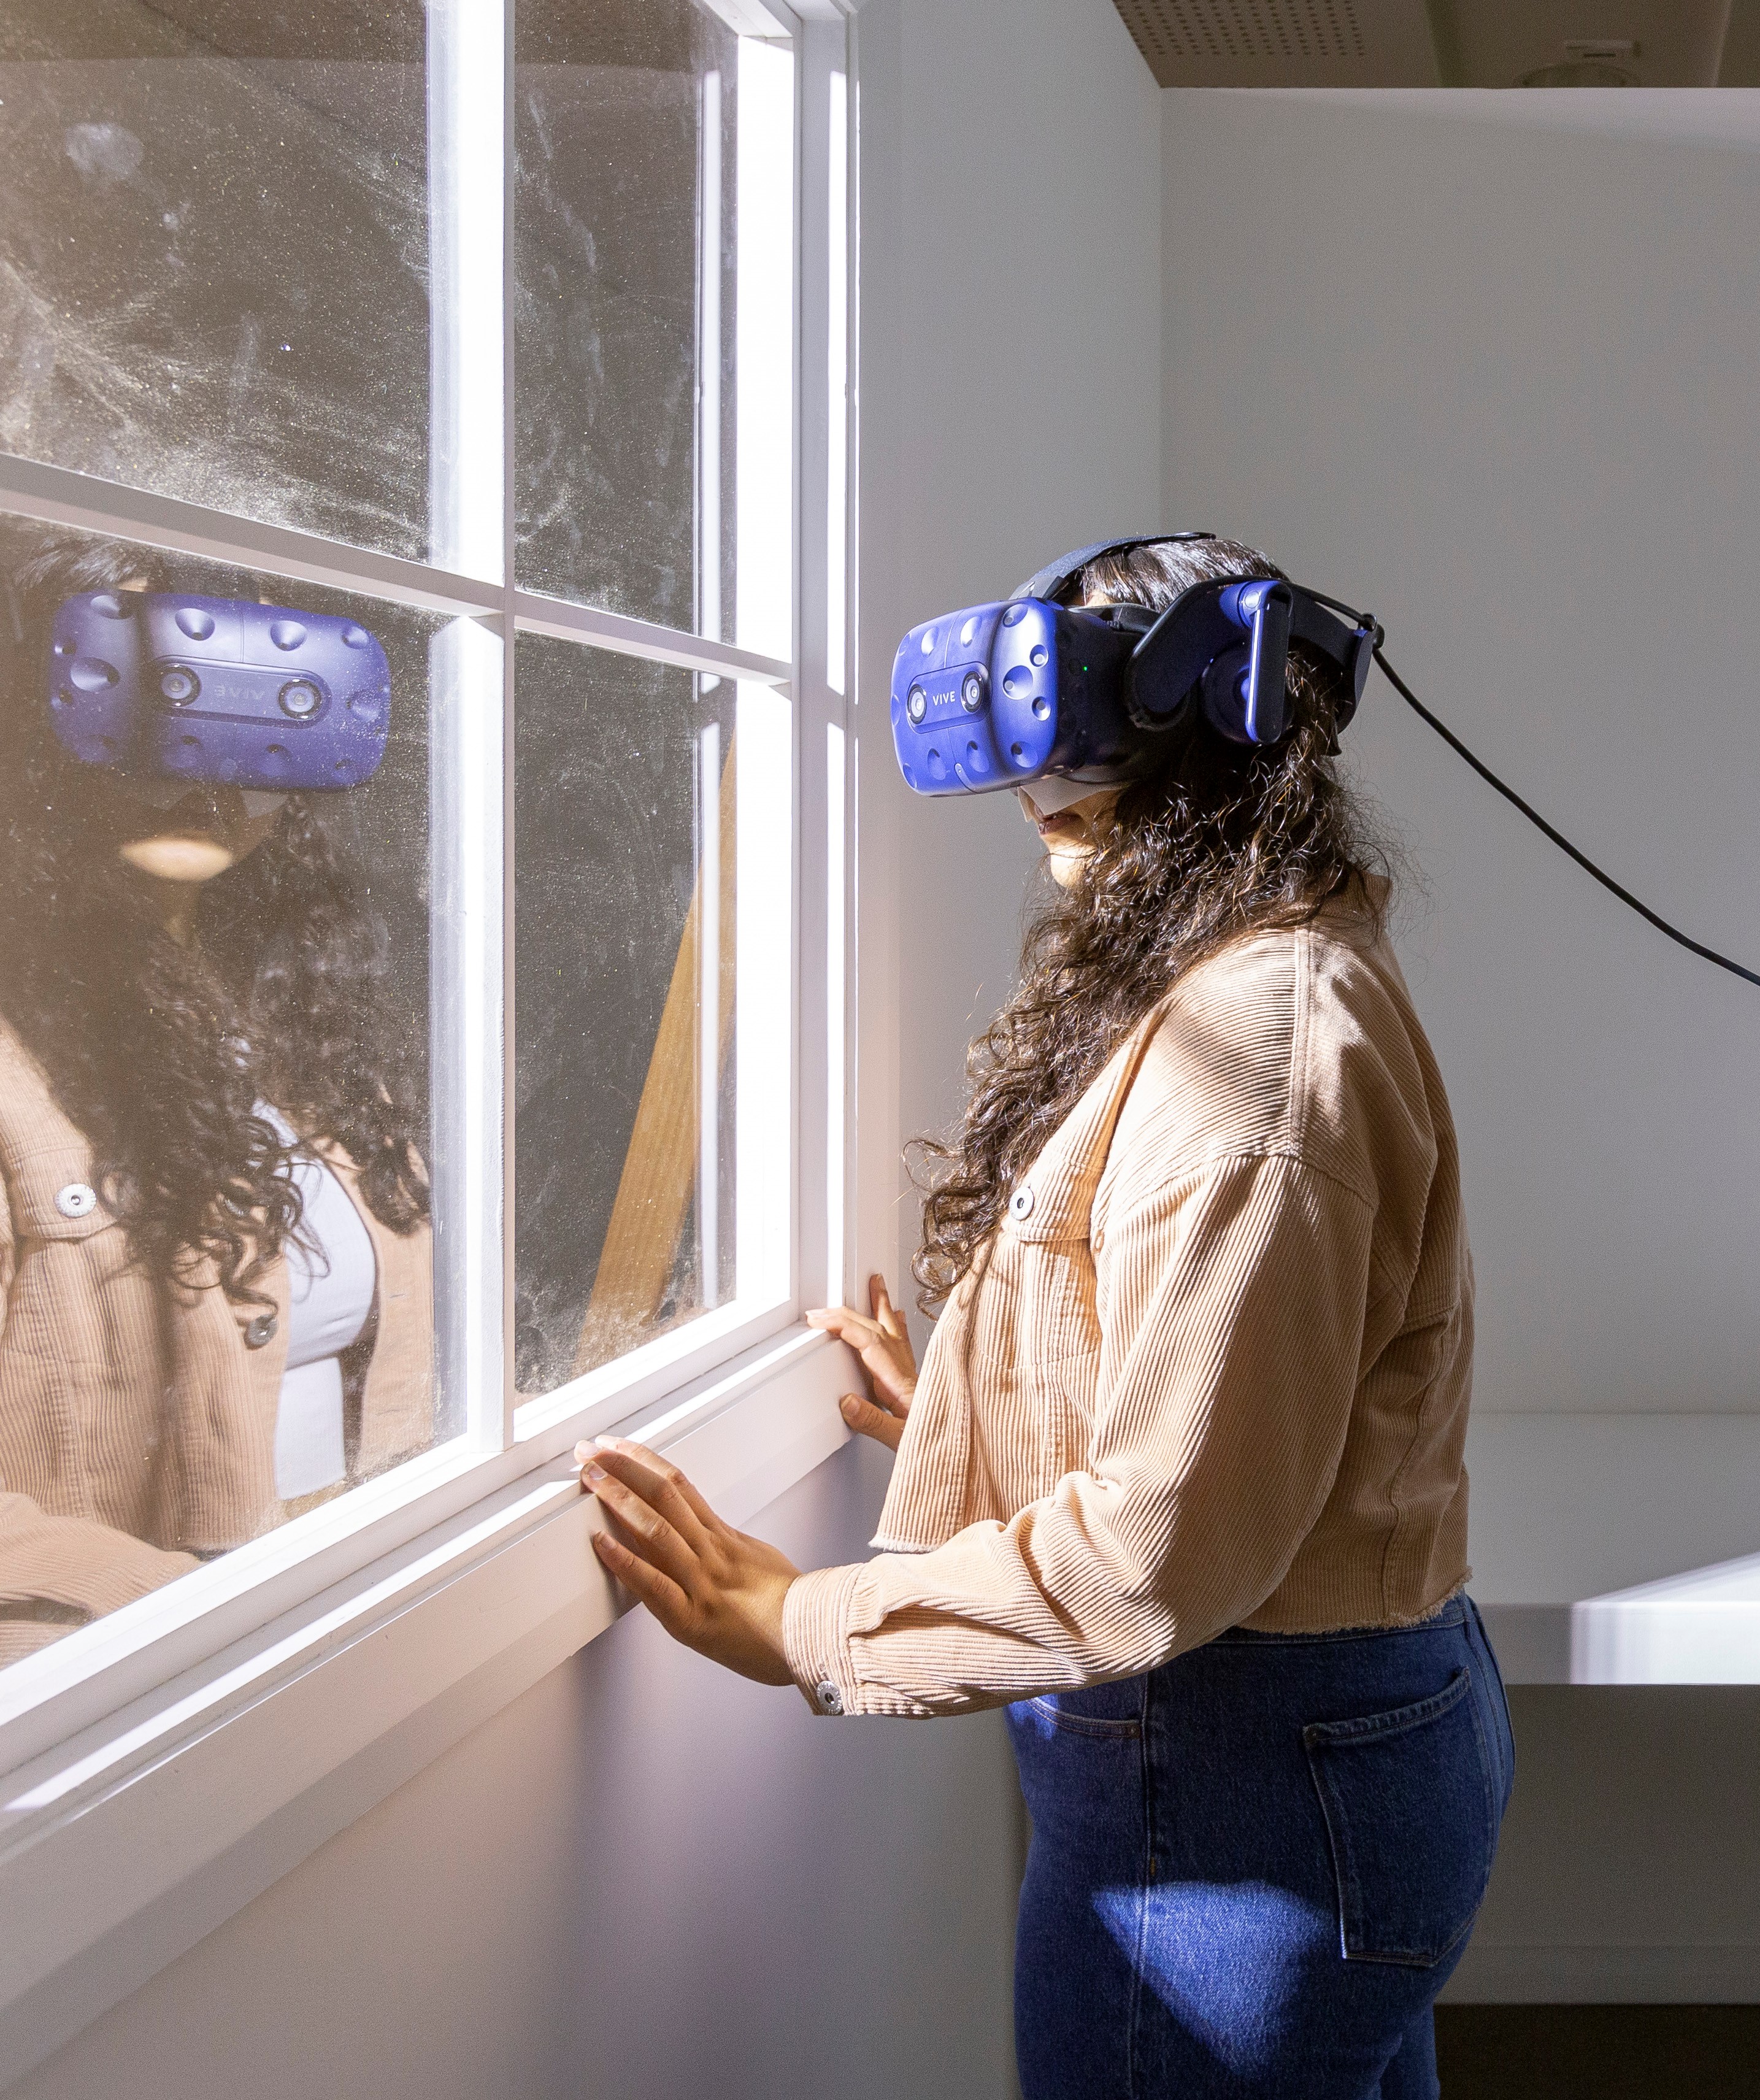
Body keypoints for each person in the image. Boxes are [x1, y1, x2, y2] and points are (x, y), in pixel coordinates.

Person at [578, 534, 1507, 2099]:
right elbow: (1227, 1351)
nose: (1032, 794)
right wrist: (977, 1394)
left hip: (1242, 1798)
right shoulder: (1247, 968)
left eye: (1074, 741)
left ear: (1200, 711)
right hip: (1291, 1762)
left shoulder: (1258, 1049)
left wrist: (803, 1626)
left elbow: (1160, 1547)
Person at [0, 537, 436, 1666]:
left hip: (369, 1627)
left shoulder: (313, 1034)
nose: (196, 760)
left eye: (246, 709)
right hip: (142, 1698)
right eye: (146, 696)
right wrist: (196, 1630)